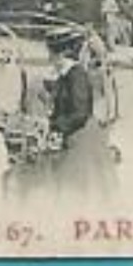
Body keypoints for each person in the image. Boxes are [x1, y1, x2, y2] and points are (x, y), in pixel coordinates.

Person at [42, 27, 116, 198]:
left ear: (60, 54)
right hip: (73, 135)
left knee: (80, 190)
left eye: (51, 52)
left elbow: (80, 112)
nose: (49, 57)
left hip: (82, 140)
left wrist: (55, 126)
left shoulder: (76, 75)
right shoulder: (65, 75)